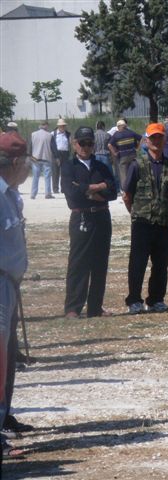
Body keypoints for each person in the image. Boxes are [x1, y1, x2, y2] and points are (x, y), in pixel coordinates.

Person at [122, 123, 168, 314]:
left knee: (161, 264)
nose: (156, 141)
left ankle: (156, 299)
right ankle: (134, 300)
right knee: (137, 263)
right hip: (142, 222)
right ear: (146, 141)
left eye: (160, 137)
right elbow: (127, 195)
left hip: (164, 222)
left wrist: (161, 209)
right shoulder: (136, 164)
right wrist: (136, 213)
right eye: (153, 138)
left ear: (165, 140)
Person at [61, 127, 118, 318]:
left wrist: (88, 190)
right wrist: (99, 187)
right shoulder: (69, 167)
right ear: (74, 144)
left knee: (100, 263)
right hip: (81, 217)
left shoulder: (101, 165)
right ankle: (73, 308)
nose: (85, 147)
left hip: (101, 217)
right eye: (82, 143)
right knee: (78, 263)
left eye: (89, 143)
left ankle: (95, 307)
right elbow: (71, 193)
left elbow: (112, 191)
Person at [0, 131, 32, 458]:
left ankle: (3, 419)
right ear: (13, 162)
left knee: (7, 360)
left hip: (8, 284)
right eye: (25, 162)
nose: (28, 168)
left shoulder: (10, 194)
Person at [108, 119, 142, 191]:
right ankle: (135, 188)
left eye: (118, 127)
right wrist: (138, 148)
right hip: (133, 155)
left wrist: (114, 153)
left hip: (123, 157)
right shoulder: (131, 132)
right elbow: (141, 138)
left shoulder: (116, 134)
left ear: (120, 126)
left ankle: (125, 190)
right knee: (133, 171)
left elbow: (109, 145)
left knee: (123, 174)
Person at [30, 121, 55, 199]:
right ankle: (48, 194)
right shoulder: (50, 135)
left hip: (35, 158)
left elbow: (30, 147)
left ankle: (33, 194)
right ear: (46, 126)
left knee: (35, 177)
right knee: (47, 177)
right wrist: (57, 157)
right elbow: (53, 147)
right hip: (46, 158)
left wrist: (30, 156)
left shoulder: (33, 134)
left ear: (39, 126)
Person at [50, 118, 71, 194]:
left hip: (65, 153)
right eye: (61, 126)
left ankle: (63, 188)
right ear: (58, 126)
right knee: (55, 172)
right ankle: (55, 189)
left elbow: (69, 144)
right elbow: (52, 145)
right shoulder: (53, 134)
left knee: (64, 172)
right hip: (56, 153)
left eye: (64, 126)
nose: (63, 127)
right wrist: (56, 156)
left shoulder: (68, 134)